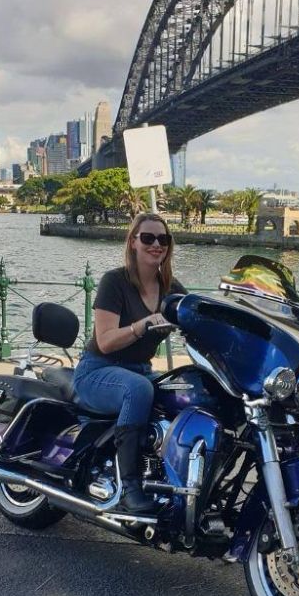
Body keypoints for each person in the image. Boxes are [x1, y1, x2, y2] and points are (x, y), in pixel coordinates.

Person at [73, 213, 186, 514]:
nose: (156, 244)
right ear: (133, 242)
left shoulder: (170, 288)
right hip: (97, 370)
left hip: (140, 370)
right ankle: (129, 487)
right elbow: (106, 341)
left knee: (186, 391)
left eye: (163, 239)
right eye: (148, 238)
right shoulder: (115, 282)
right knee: (138, 390)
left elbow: (196, 315)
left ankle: (174, 481)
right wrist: (143, 325)